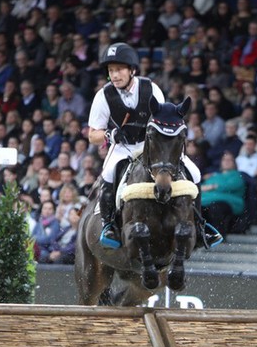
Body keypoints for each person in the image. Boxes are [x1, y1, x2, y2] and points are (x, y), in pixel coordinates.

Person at [87, 42, 222, 249]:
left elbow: (164, 120)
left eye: (119, 70)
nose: (114, 75)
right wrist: (110, 134)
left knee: (193, 172)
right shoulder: (103, 96)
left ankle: (200, 224)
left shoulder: (151, 89)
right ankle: (109, 225)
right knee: (108, 174)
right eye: (111, 70)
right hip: (123, 147)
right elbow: (92, 135)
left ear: (132, 70)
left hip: (154, 146)